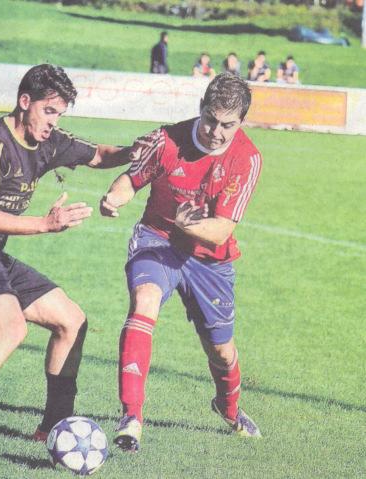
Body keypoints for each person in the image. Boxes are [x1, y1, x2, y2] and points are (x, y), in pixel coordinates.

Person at [0, 63, 128, 450]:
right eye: (49, 111)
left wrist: (149, 149)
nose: (53, 122)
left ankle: (54, 426)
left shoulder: (48, 141)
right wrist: (45, 224)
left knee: (71, 320)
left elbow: (101, 155)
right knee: (12, 326)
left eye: (60, 114)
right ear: (24, 102)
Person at [99, 73, 263, 452]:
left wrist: (193, 225)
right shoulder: (167, 139)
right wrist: (114, 198)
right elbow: (130, 179)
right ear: (200, 109)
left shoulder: (247, 158)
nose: (216, 132)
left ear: (240, 123)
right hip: (158, 240)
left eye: (227, 125)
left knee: (221, 351)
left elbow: (221, 231)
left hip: (210, 260)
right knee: (145, 303)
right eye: (210, 119)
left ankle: (229, 408)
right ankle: (131, 416)